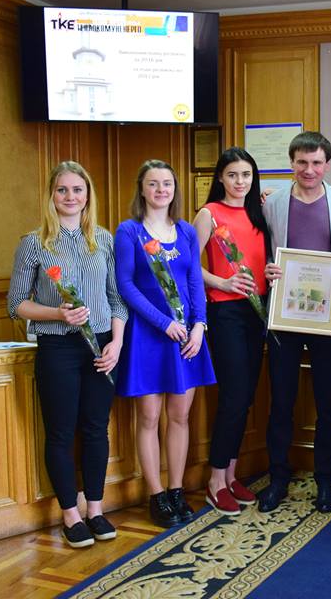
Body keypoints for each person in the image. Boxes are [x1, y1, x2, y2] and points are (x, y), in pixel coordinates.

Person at [7, 161, 126, 548]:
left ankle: (95, 509)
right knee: (60, 432)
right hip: (57, 346)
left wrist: (116, 343)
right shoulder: (34, 243)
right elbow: (16, 305)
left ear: (88, 195)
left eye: (77, 190)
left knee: (96, 428)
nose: (70, 197)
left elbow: (117, 300)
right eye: (62, 190)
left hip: (101, 346)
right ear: (51, 195)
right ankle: (70, 514)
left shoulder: (103, 240)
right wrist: (57, 313)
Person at [114, 159, 215, 528]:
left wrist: (199, 325)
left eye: (167, 183)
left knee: (180, 416)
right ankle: (156, 495)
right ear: (142, 189)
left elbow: (195, 283)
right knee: (149, 417)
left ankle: (176, 490)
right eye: (153, 183)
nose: (161, 190)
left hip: (187, 338)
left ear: (175, 189)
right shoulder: (128, 231)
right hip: (148, 337)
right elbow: (126, 285)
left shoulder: (186, 231)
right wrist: (163, 323)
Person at [259, 131, 331, 514]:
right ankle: (278, 478)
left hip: (328, 319)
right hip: (284, 316)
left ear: (327, 165)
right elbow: (262, 250)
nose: (309, 169)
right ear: (291, 163)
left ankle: (325, 480)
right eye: (301, 162)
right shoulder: (273, 203)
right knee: (281, 401)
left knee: (328, 403)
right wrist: (267, 268)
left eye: (316, 162)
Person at [193, 147, 270, 516]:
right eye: (233, 175)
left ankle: (231, 475)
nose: (240, 182)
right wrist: (222, 282)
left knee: (246, 397)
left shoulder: (259, 212)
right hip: (225, 312)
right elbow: (189, 267)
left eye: (246, 175)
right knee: (234, 396)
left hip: (258, 311)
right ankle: (215, 480)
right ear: (220, 178)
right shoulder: (208, 213)